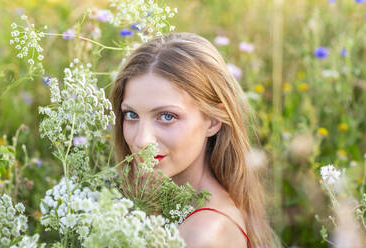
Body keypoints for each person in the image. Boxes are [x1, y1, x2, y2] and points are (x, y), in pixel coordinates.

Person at [111, 33, 277, 247]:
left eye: (167, 117)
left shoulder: (200, 235)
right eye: (132, 115)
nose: (142, 140)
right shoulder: (187, 211)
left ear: (213, 121)